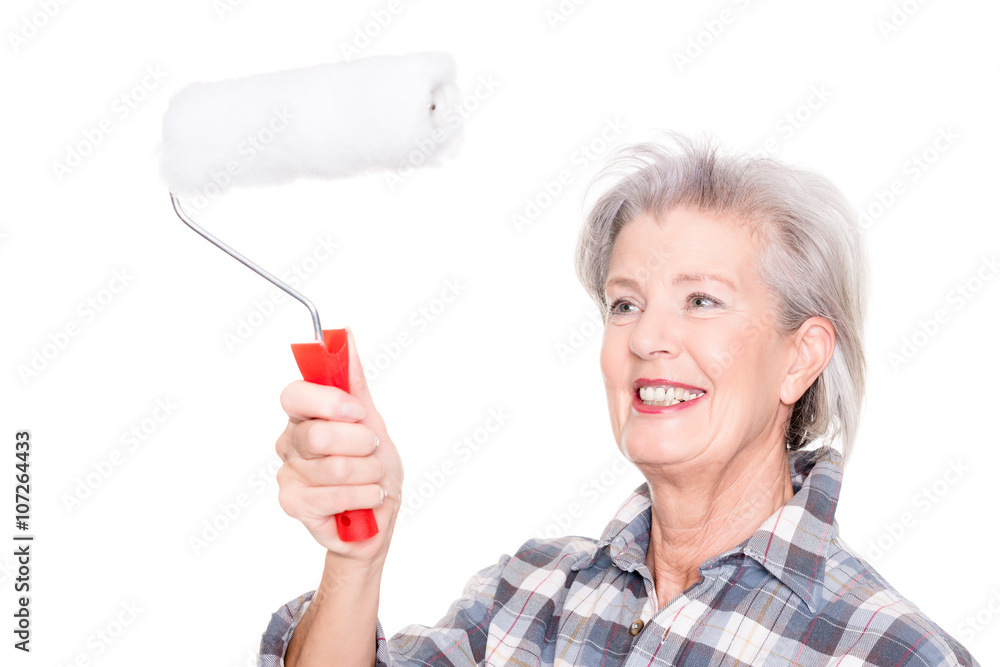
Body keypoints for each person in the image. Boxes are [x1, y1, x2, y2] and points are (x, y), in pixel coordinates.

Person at [258, 133, 979, 666]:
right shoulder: (527, 597)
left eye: (701, 300)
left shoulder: (888, 651)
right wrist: (357, 557)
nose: (648, 338)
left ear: (800, 358)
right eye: (625, 304)